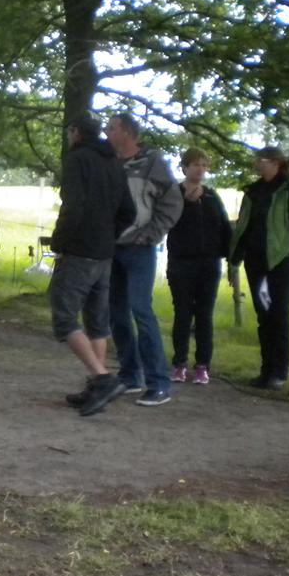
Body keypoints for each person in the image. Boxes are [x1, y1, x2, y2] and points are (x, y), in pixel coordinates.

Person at [52, 114, 136, 417]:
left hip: (79, 250)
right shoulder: (112, 160)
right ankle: (95, 386)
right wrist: (108, 236)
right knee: (96, 319)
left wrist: (59, 242)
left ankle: (102, 379)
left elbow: (72, 206)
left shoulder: (77, 160)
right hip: (105, 252)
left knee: (63, 315)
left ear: (75, 132)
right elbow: (129, 210)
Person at [105, 113, 183, 407]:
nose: (107, 132)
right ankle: (130, 375)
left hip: (139, 248)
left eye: (111, 128)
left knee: (141, 311)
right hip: (111, 248)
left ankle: (159, 383)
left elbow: (172, 203)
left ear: (127, 133)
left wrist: (151, 234)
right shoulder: (109, 162)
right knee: (117, 314)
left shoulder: (153, 164)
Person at [228, 146, 289, 390]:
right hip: (255, 264)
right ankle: (266, 371)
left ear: (276, 163)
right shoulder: (253, 192)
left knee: (279, 316)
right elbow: (243, 228)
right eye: (258, 160)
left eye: (262, 160)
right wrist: (234, 258)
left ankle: (279, 372)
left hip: (281, 264)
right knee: (263, 317)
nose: (258, 164)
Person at [166, 148, 232, 385]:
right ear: (184, 168)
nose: (200, 169)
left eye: (204, 165)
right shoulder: (173, 193)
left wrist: (231, 261)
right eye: (195, 165)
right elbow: (166, 221)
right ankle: (179, 364)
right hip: (181, 262)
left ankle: (203, 365)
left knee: (204, 315)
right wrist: (186, 203)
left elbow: (224, 228)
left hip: (209, 263)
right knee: (182, 313)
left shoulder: (213, 196)